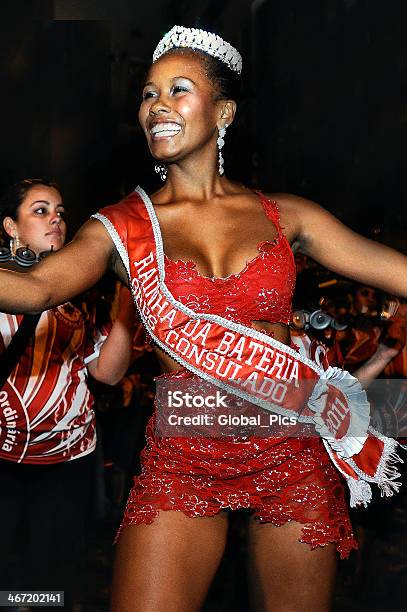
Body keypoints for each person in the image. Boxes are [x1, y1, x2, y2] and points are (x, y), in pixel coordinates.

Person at [1, 27, 407, 611]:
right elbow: (35, 287)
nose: (156, 106)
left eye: (178, 90)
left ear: (224, 112)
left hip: (290, 445)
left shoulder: (287, 215)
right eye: (147, 94)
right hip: (185, 452)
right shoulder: (119, 227)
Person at [0, 179, 135, 610]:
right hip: (2, 458)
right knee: (6, 574)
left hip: (67, 460)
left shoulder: (85, 289)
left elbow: (108, 374)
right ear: (10, 227)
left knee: (49, 581)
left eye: (60, 210)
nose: (56, 218)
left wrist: (128, 309)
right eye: (40, 211)